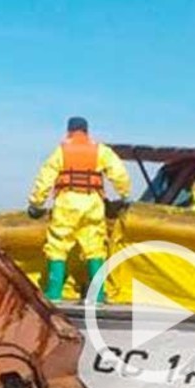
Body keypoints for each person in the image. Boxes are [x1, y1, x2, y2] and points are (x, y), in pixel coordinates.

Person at [26, 116, 131, 302]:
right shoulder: (101, 150)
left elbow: (45, 178)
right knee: (95, 246)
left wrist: (36, 203)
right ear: (86, 131)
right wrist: (124, 195)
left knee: (58, 244)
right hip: (93, 201)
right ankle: (97, 294)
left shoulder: (61, 151)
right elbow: (119, 173)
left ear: (69, 131)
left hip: (67, 201)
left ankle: (54, 292)